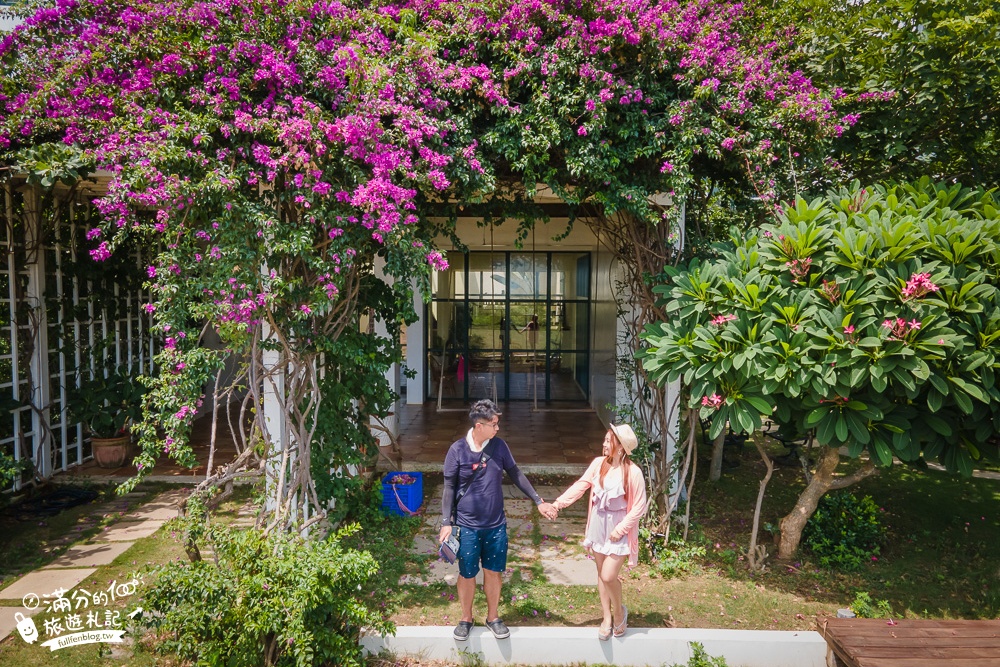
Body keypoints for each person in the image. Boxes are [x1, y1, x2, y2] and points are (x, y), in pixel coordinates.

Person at [439, 399, 558, 641]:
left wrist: (538, 500)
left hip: (495, 526)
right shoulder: (457, 450)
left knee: (493, 572)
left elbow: (515, 473)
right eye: (494, 424)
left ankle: (493, 617)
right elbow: (449, 487)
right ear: (479, 425)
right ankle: (466, 618)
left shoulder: (499, 447)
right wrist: (445, 522)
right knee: (467, 573)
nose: (497, 428)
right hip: (467, 526)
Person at [551, 423, 647, 640]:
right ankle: (607, 617)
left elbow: (639, 506)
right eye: (604, 440)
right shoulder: (598, 464)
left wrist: (620, 529)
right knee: (601, 575)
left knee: (608, 575)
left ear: (620, 447)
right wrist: (558, 504)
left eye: (608, 441)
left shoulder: (633, 473)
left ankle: (620, 611)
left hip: (618, 528)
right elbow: (581, 486)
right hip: (598, 525)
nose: (603, 444)